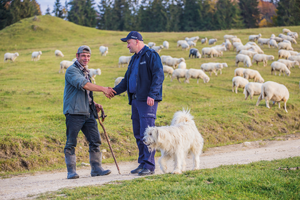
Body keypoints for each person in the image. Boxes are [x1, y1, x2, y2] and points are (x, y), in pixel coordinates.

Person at [113, 31, 164, 176]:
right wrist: (114, 91)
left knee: (147, 133)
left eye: (128, 42)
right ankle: (142, 163)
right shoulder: (134, 59)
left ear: (136, 41)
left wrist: (152, 94)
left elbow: (158, 75)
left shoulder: (151, 55)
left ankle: (149, 166)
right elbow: (126, 80)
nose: (127, 46)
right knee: (138, 132)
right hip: (135, 100)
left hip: (147, 100)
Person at [63, 45, 116, 179]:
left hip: (88, 112)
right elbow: (84, 85)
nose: (86, 58)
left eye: (88, 56)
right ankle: (71, 172)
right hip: (74, 112)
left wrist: (93, 103)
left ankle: (96, 169)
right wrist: (104, 89)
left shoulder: (85, 72)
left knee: (95, 140)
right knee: (71, 142)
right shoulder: (72, 71)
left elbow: (85, 93)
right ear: (77, 56)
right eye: (83, 56)